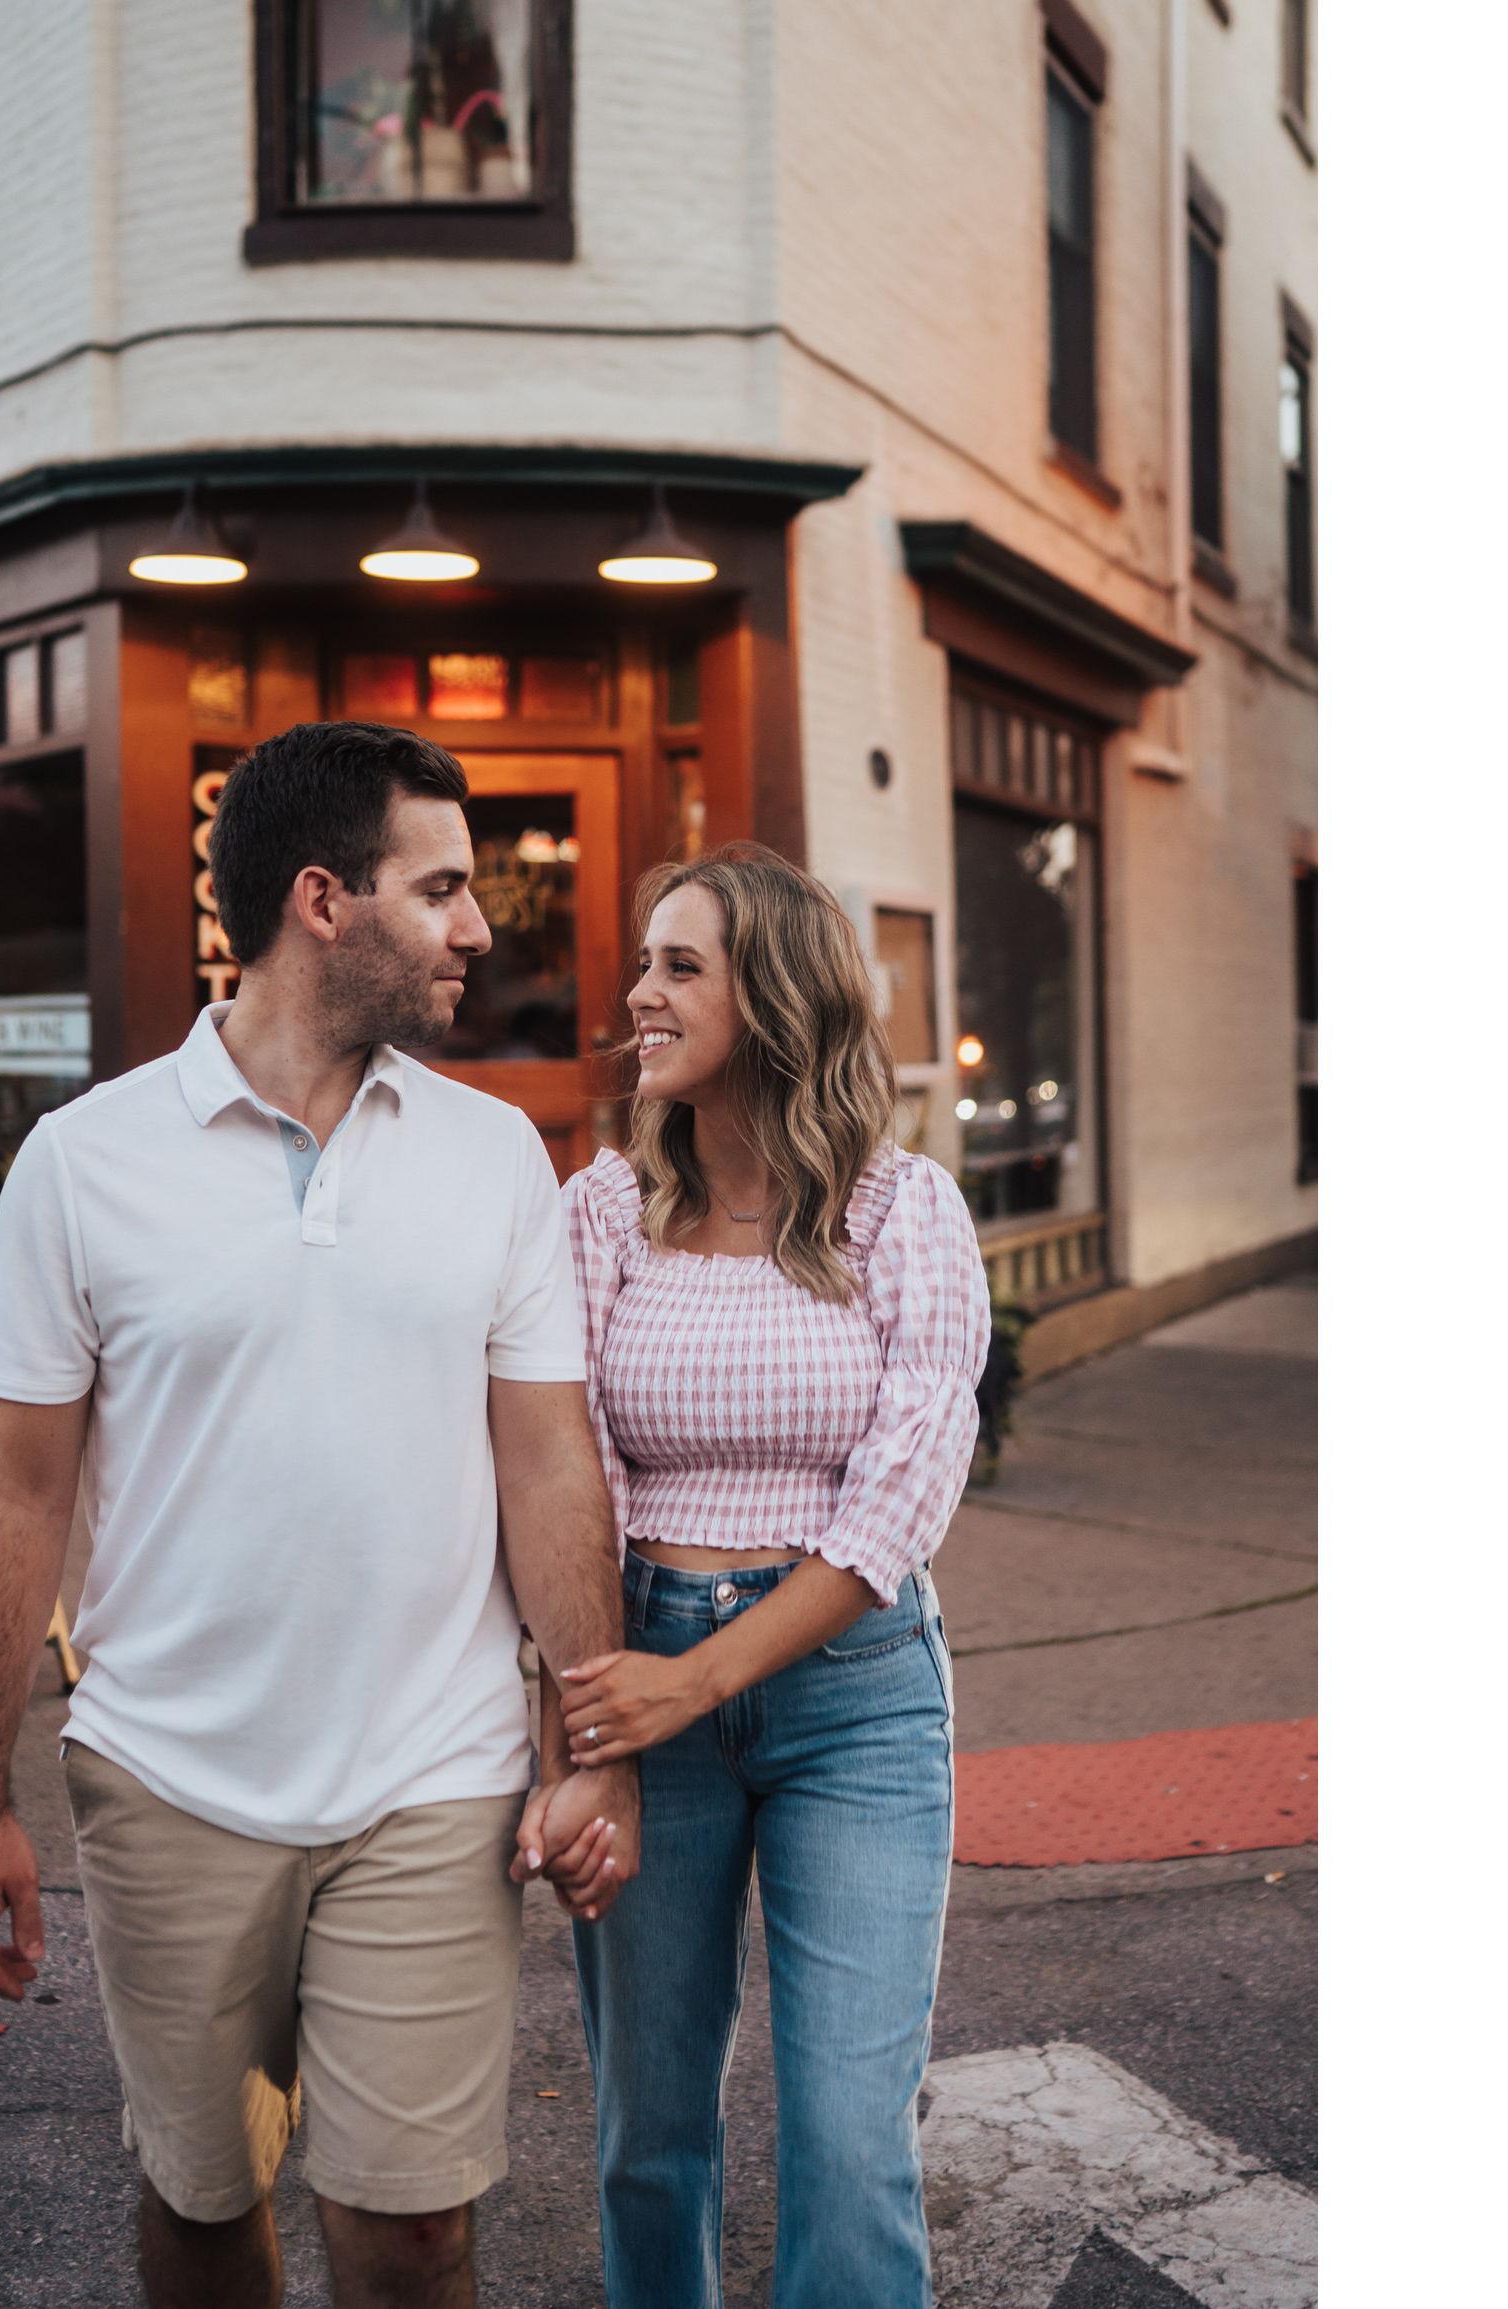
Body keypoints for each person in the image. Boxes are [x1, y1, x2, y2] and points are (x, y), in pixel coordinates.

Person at [0, 721, 640, 2309]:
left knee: (409, 2234)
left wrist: (588, 1751)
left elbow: (546, 1467)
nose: (478, 927)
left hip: (430, 1778)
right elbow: (15, 1492)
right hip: (169, 1772)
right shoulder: (81, 1162)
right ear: (323, 899)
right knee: (200, 2203)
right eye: (441, 886)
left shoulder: (493, 1160)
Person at [550, 843, 991, 2309]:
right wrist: (608, 1704)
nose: (639, 996)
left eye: (679, 966)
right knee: (645, 2137)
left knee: (850, 2144)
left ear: (777, 996)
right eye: (642, 963)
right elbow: (568, 1468)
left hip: (852, 1700)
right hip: (638, 1671)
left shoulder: (899, 1209)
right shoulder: (600, 1214)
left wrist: (704, 1676)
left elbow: (905, 1488)